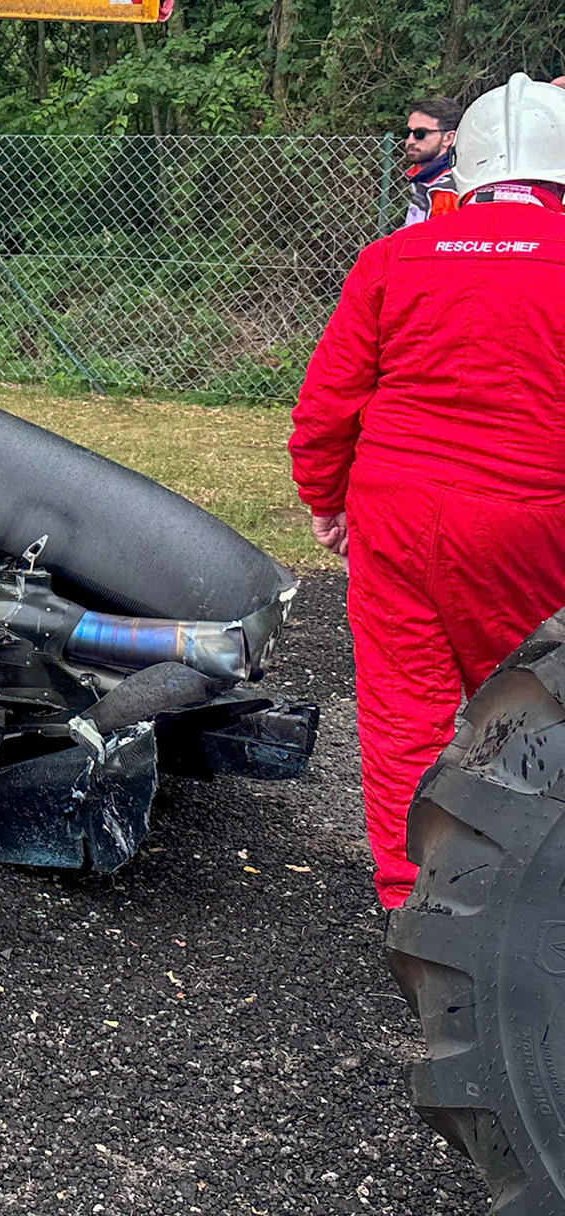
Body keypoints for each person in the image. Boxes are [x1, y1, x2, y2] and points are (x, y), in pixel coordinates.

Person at [290, 73, 565, 910]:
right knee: (529, 711)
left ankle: (416, 898)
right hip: (529, 517)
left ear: (467, 164)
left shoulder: (394, 256)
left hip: (396, 508)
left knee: (401, 712)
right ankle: (521, 902)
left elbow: (328, 402)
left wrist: (326, 498)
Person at [400, 96, 462, 226]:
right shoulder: (426, 179)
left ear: (448, 138)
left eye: (420, 134)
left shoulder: (446, 192)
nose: (410, 141)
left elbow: (438, 244)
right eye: (407, 132)